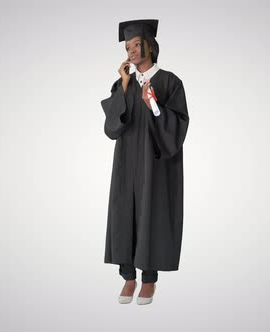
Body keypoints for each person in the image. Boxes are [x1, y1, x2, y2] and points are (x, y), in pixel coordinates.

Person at [100, 19, 189, 305]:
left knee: (151, 213)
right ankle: (128, 276)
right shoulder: (121, 83)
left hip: (155, 162)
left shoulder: (169, 81)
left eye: (137, 44)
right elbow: (112, 129)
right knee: (124, 212)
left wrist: (153, 104)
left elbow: (178, 128)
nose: (132, 50)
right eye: (128, 47)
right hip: (127, 161)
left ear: (149, 45)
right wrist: (125, 84)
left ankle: (148, 279)